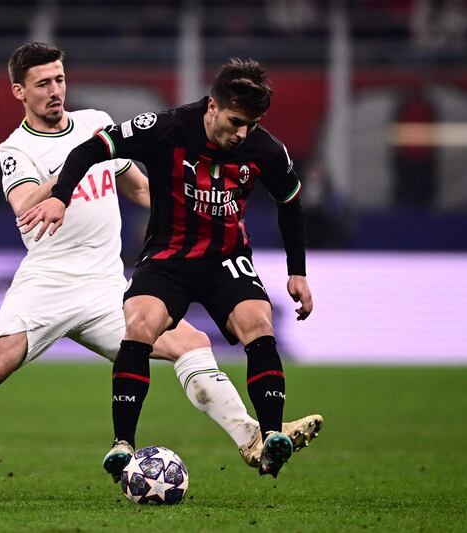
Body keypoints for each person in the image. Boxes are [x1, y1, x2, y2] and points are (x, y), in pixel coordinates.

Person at [0, 45, 320, 498]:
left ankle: (252, 438)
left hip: (107, 286)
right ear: (20, 92)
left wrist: (192, 209)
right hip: (48, 284)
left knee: (191, 345)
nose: (55, 90)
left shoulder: (95, 123)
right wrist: (74, 163)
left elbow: (138, 188)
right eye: (42, 83)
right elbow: (26, 204)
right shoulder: (15, 149)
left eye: (60, 78)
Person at [19, 57, 320, 479]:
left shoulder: (266, 148)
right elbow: (92, 148)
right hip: (169, 255)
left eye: (250, 124)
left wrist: (298, 271)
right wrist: (62, 196)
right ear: (212, 106)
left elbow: (290, 204)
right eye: (235, 121)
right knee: (140, 322)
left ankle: (270, 436)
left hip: (225, 257)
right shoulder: (165, 127)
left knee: (258, 320)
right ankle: (123, 442)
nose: (241, 133)